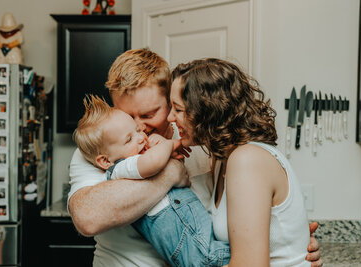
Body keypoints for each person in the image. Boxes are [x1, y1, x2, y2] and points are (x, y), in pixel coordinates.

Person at [68, 48, 323, 267]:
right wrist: (171, 173)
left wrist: (290, 248)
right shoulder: (102, 148)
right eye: (126, 116)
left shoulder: (203, 143)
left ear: (170, 102)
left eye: (148, 114)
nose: (139, 128)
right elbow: (88, 219)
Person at [169, 58, 315, 266]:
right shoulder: (222, 160)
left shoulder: (247, 159)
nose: (169, 117)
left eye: (178, 109)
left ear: (207, 111)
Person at [73, 95, 230, 266]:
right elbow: (151, 163)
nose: (141, 133)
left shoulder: (195, 136)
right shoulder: (118, 162)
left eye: (148, 115)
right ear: (104, 161)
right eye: (129, 139)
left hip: (196, 237)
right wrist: (170, 149)